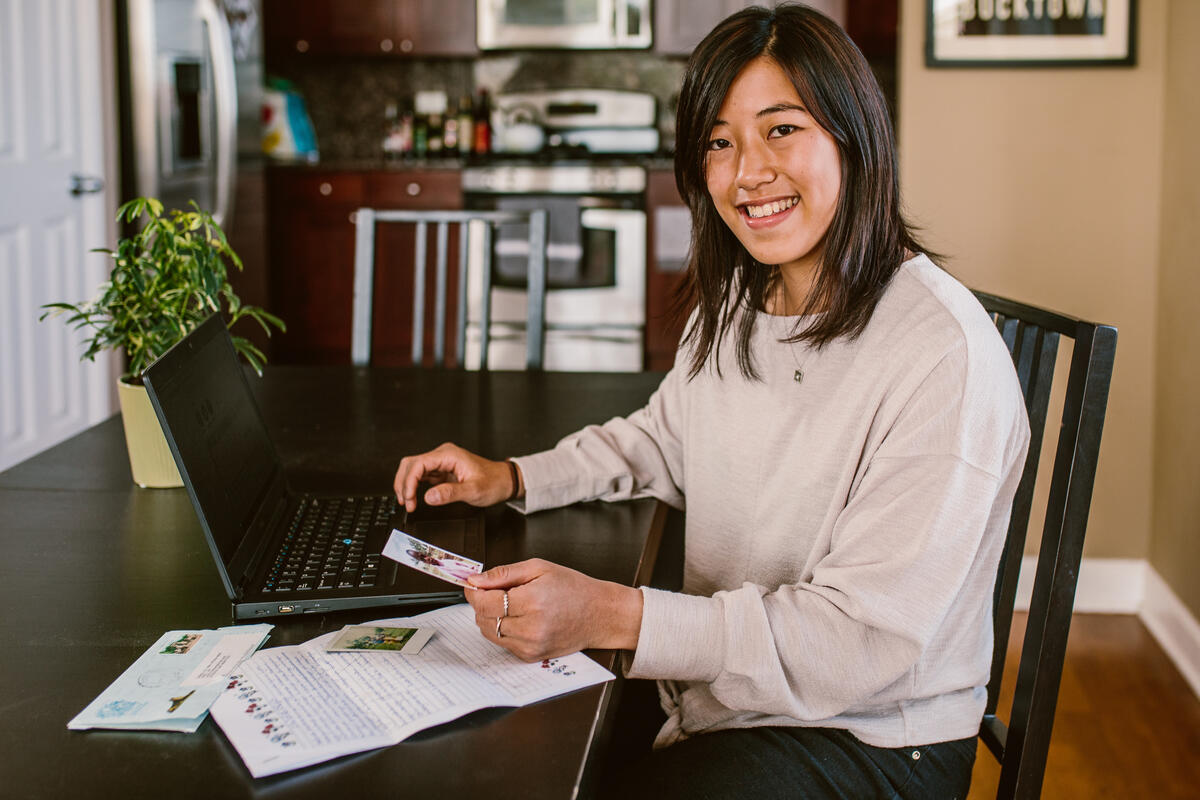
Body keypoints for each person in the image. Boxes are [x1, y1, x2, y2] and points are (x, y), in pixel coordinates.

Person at [393, 4, 1030, 798]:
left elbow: (858, 640)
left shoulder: (941, 353)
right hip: (717, 699)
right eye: (719, 142)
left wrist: (613, 615)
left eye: (782, 129)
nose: (747, 172)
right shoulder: (738, 305)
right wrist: (514, 478)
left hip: (868, 738)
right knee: (480, 760)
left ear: (855, 136)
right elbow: (660, 441)